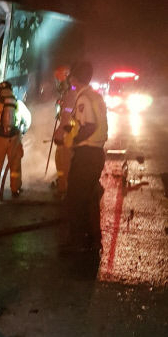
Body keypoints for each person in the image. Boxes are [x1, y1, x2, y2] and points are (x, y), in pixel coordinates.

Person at [64, 60, 108, 251]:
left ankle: (77, 242)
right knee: (89, 198)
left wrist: (71, 141)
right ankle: (93, 239)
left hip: (86, 155)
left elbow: (89, 125)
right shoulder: (94, 96)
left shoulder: (83, 99)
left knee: (75, 199)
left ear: (75, 78)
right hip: (95, 154)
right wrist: (67, 130)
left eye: (71, 76)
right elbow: (81, 124)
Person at [0, 80, 31, 197]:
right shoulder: (18, 104)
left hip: (0, 138)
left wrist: (0, 128)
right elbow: (28, 119)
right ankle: (16, 189)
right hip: (15, 138)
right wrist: (22, 132)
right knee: (15, 164)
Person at [52, 66, 77, 197]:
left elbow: (67, 116)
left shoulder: (70, 94)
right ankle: (62, 184)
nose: (57, 83)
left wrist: (59, 132)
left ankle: (65, 188)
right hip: (68, 131)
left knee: (64, 160)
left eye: (58, 80)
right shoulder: (68, 93)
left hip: (68, 133)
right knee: (61, 159)